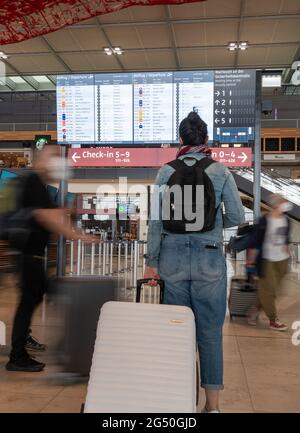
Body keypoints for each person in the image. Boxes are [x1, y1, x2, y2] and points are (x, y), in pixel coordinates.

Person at [144, 112, 245, 413]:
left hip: (172, 259)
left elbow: (156, 222)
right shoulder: (220, 171)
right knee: (209, 334)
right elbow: (238, 217)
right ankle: (212, 407)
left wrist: (152, 262)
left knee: (178, 331)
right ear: (205, 139)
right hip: (209, 259)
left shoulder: (165, 171)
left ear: (180, 139)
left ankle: (179, 400)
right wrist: (212, 224)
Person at [6, 145, 93, 372]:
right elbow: (46, 217)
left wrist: (66, 216)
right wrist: (78, 235)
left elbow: (49, 215)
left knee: (35, 301)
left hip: (30, 257)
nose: (58, 162)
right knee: (45, 300)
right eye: (54, 156)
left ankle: (26, 349)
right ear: (42, 159)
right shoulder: (33, 181)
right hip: (28, 258)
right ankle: (21, 354)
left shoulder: (38, 184)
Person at [247, 193, 291, 331]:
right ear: (276, 204)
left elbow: (286, 238)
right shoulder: (264, 220)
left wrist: (287, 248)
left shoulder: (287, 220)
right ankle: (273, 320)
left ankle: (254, 310)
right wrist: (251, 259)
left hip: (282, 260)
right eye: (282, 201)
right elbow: (256, 240)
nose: (285, 204)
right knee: (268, 291)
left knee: (273, 291)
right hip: (267, 260)